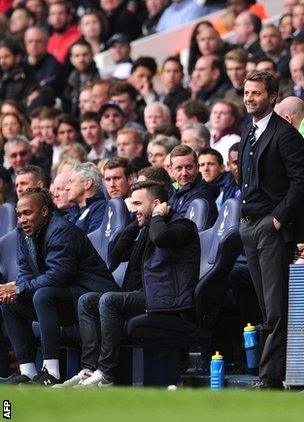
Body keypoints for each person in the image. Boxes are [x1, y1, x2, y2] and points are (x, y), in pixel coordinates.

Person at [54, 180, 200, 387]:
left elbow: (160, 238)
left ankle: (106, 373)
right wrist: (137, 221)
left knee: (109, 300)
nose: (133, 210)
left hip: (165, 299)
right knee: (87, 301)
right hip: (144, 296)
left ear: (157, 203)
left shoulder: (182, 226)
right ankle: (88, 369)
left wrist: (157, 215)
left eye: (138, 205)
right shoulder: (146, 229)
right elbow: (116, 254)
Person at [0, 187, 118, 385]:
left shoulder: (61, 229)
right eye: (19, 215)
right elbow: (26, 272)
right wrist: (15, 291)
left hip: (90, 295)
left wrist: (19, 288)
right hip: (64, 297)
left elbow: (59, 275)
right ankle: (27, 371)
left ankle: (51, 371)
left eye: (28, 213)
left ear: (44, 211)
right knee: (9, 303)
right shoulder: (24, 233)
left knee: (42, 295)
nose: (22, 219)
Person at [238, 71, 304, 389]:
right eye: (247, 93)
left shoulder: (286, 134)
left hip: (271, 227)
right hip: (249, 226)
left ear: (272, 97)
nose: (250, 98)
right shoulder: (247, 132)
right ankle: (273, 373)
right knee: (266, 306)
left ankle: (270, 377)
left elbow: (301, 182)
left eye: (256, 93)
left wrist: (278, 218)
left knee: (276, 306)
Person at [169, 145, 218, 223]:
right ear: (171, 170)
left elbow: (181, 227)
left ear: (197, 167)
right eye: (179, 168)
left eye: (188, 167)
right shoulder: (173, 190)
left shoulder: (201, 194)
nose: (184, 173)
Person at [66, 162, 107, 234]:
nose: (67, 188)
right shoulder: (73, 210)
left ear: (87, 184)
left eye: (71, 182)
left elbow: (94, 240)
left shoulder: (101, 208)